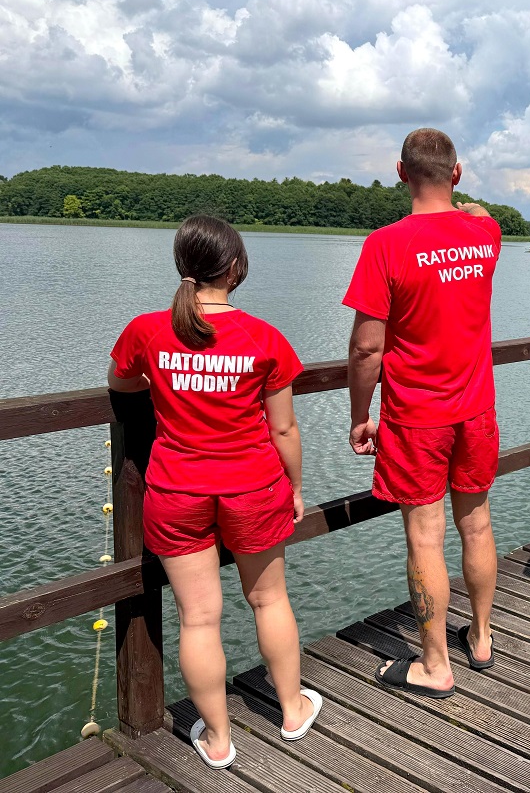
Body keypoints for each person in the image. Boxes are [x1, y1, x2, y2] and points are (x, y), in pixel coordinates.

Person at [107, 216, 320, 769]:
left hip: (177, 489)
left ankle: (219, 741)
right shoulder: (266, 338)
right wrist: (295, 486)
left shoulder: (147, 331)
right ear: (237, 268)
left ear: (183, 267)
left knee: (198, 618)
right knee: (269, 599)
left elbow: (120, 381)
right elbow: (283, 430)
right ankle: (293, 711)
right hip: (252, 486)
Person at [344, 128, 501, 697]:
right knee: (477, 523)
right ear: (456, 174)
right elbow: (480, 214)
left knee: (426, 538)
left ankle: (435, 666)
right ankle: (480, 637)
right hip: (476, 408)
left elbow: (366, 349)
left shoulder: (384, 245)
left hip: (417, 416)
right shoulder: (486, 233)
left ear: (399, 172)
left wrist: (361, 414)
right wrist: (467, 206)